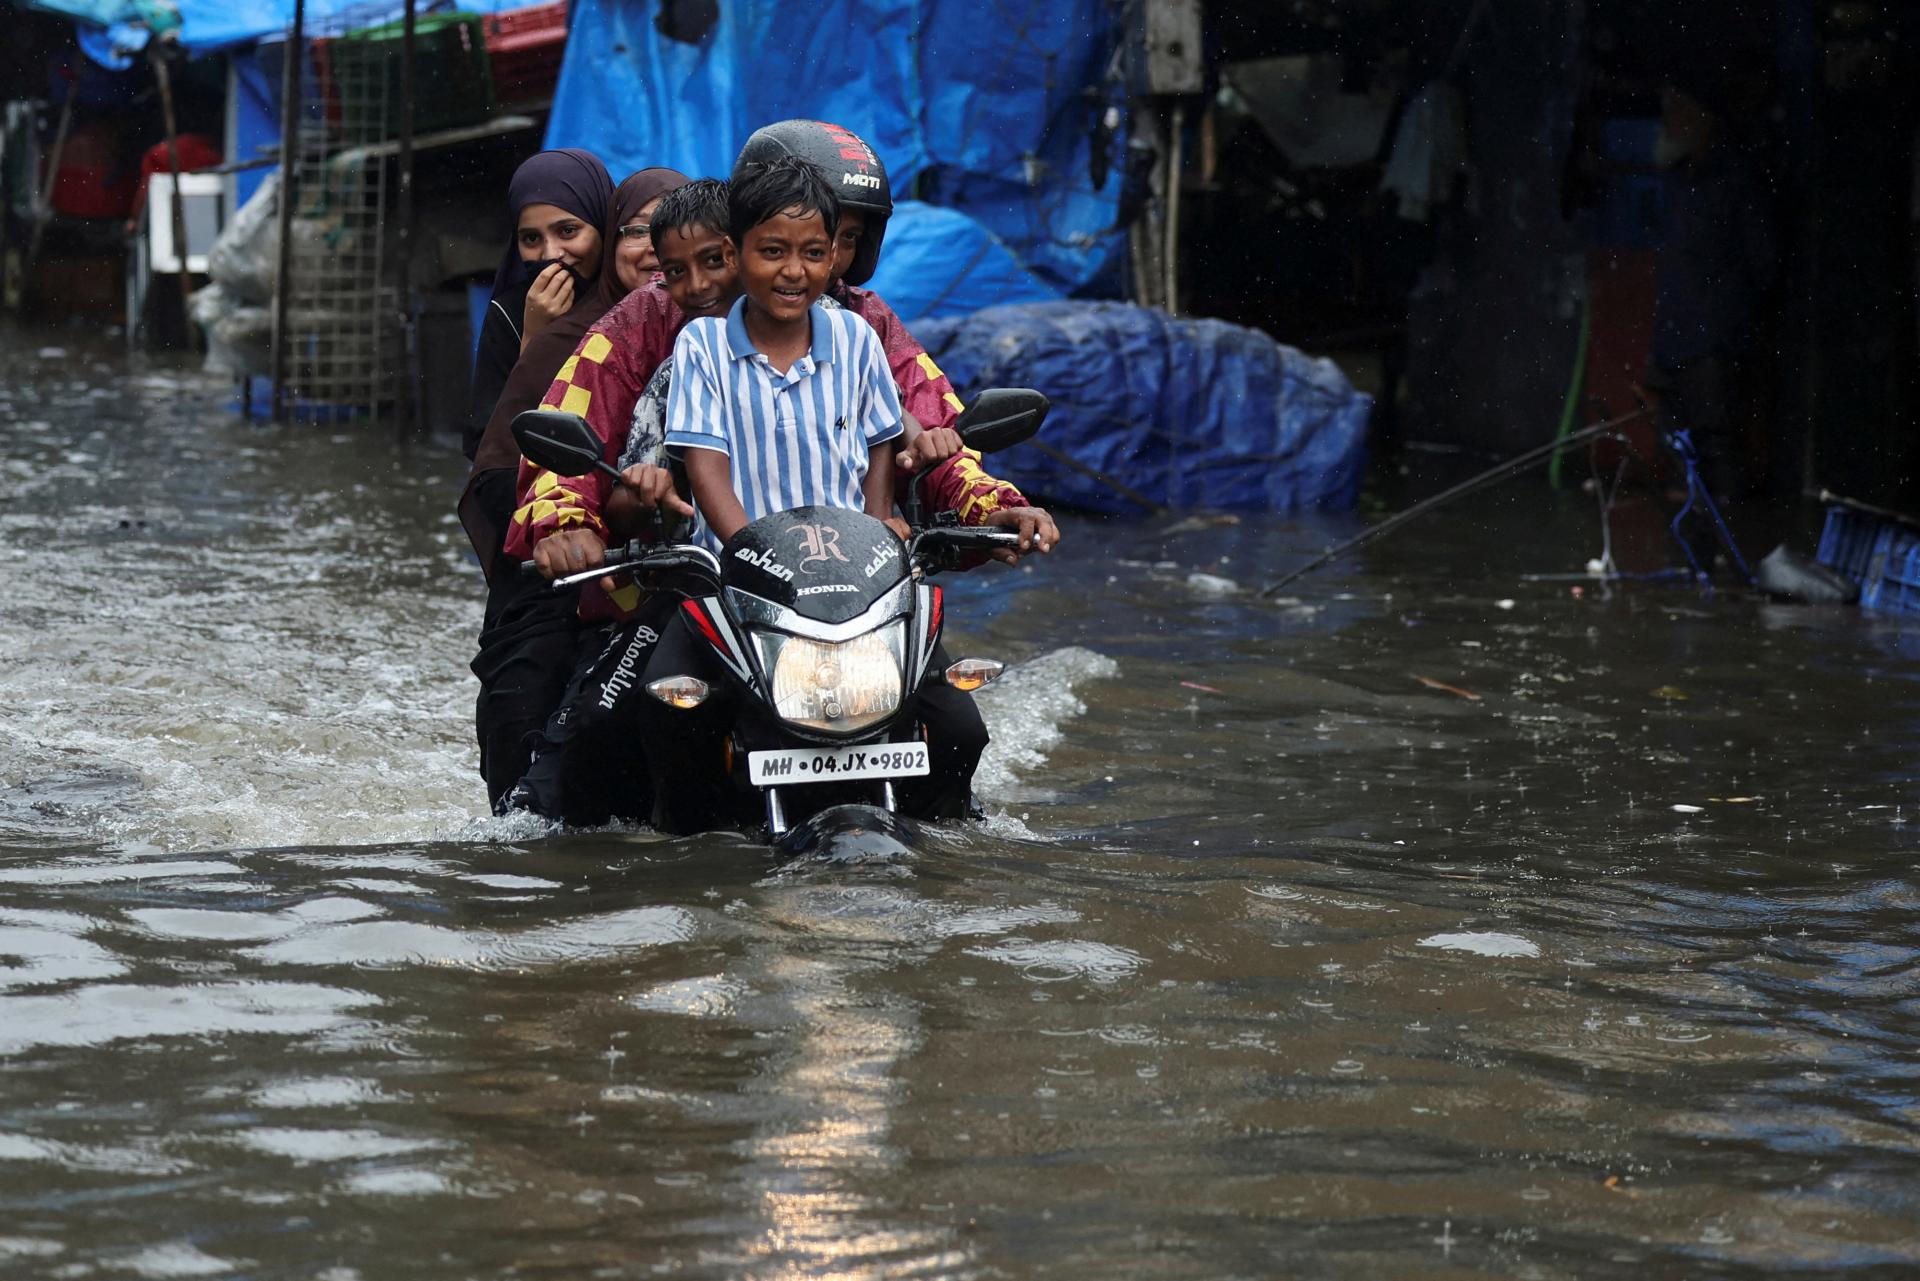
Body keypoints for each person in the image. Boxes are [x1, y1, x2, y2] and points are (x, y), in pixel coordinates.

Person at [460, 163, 688, 810]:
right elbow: (501, 455)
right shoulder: (564, 331)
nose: (551, 254)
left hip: (689, 559)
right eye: (638, 233)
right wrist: (570, 522)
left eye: (568, 231)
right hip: (554, 559)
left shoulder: (731, 327)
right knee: (527, 696)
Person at [464, 149, 614, 465]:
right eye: (531, 238)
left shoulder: (635, 304)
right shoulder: (510, 313)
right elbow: (486, 447)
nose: (551, 254)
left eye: (568, 231)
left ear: (603, 226)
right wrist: (535, 341)